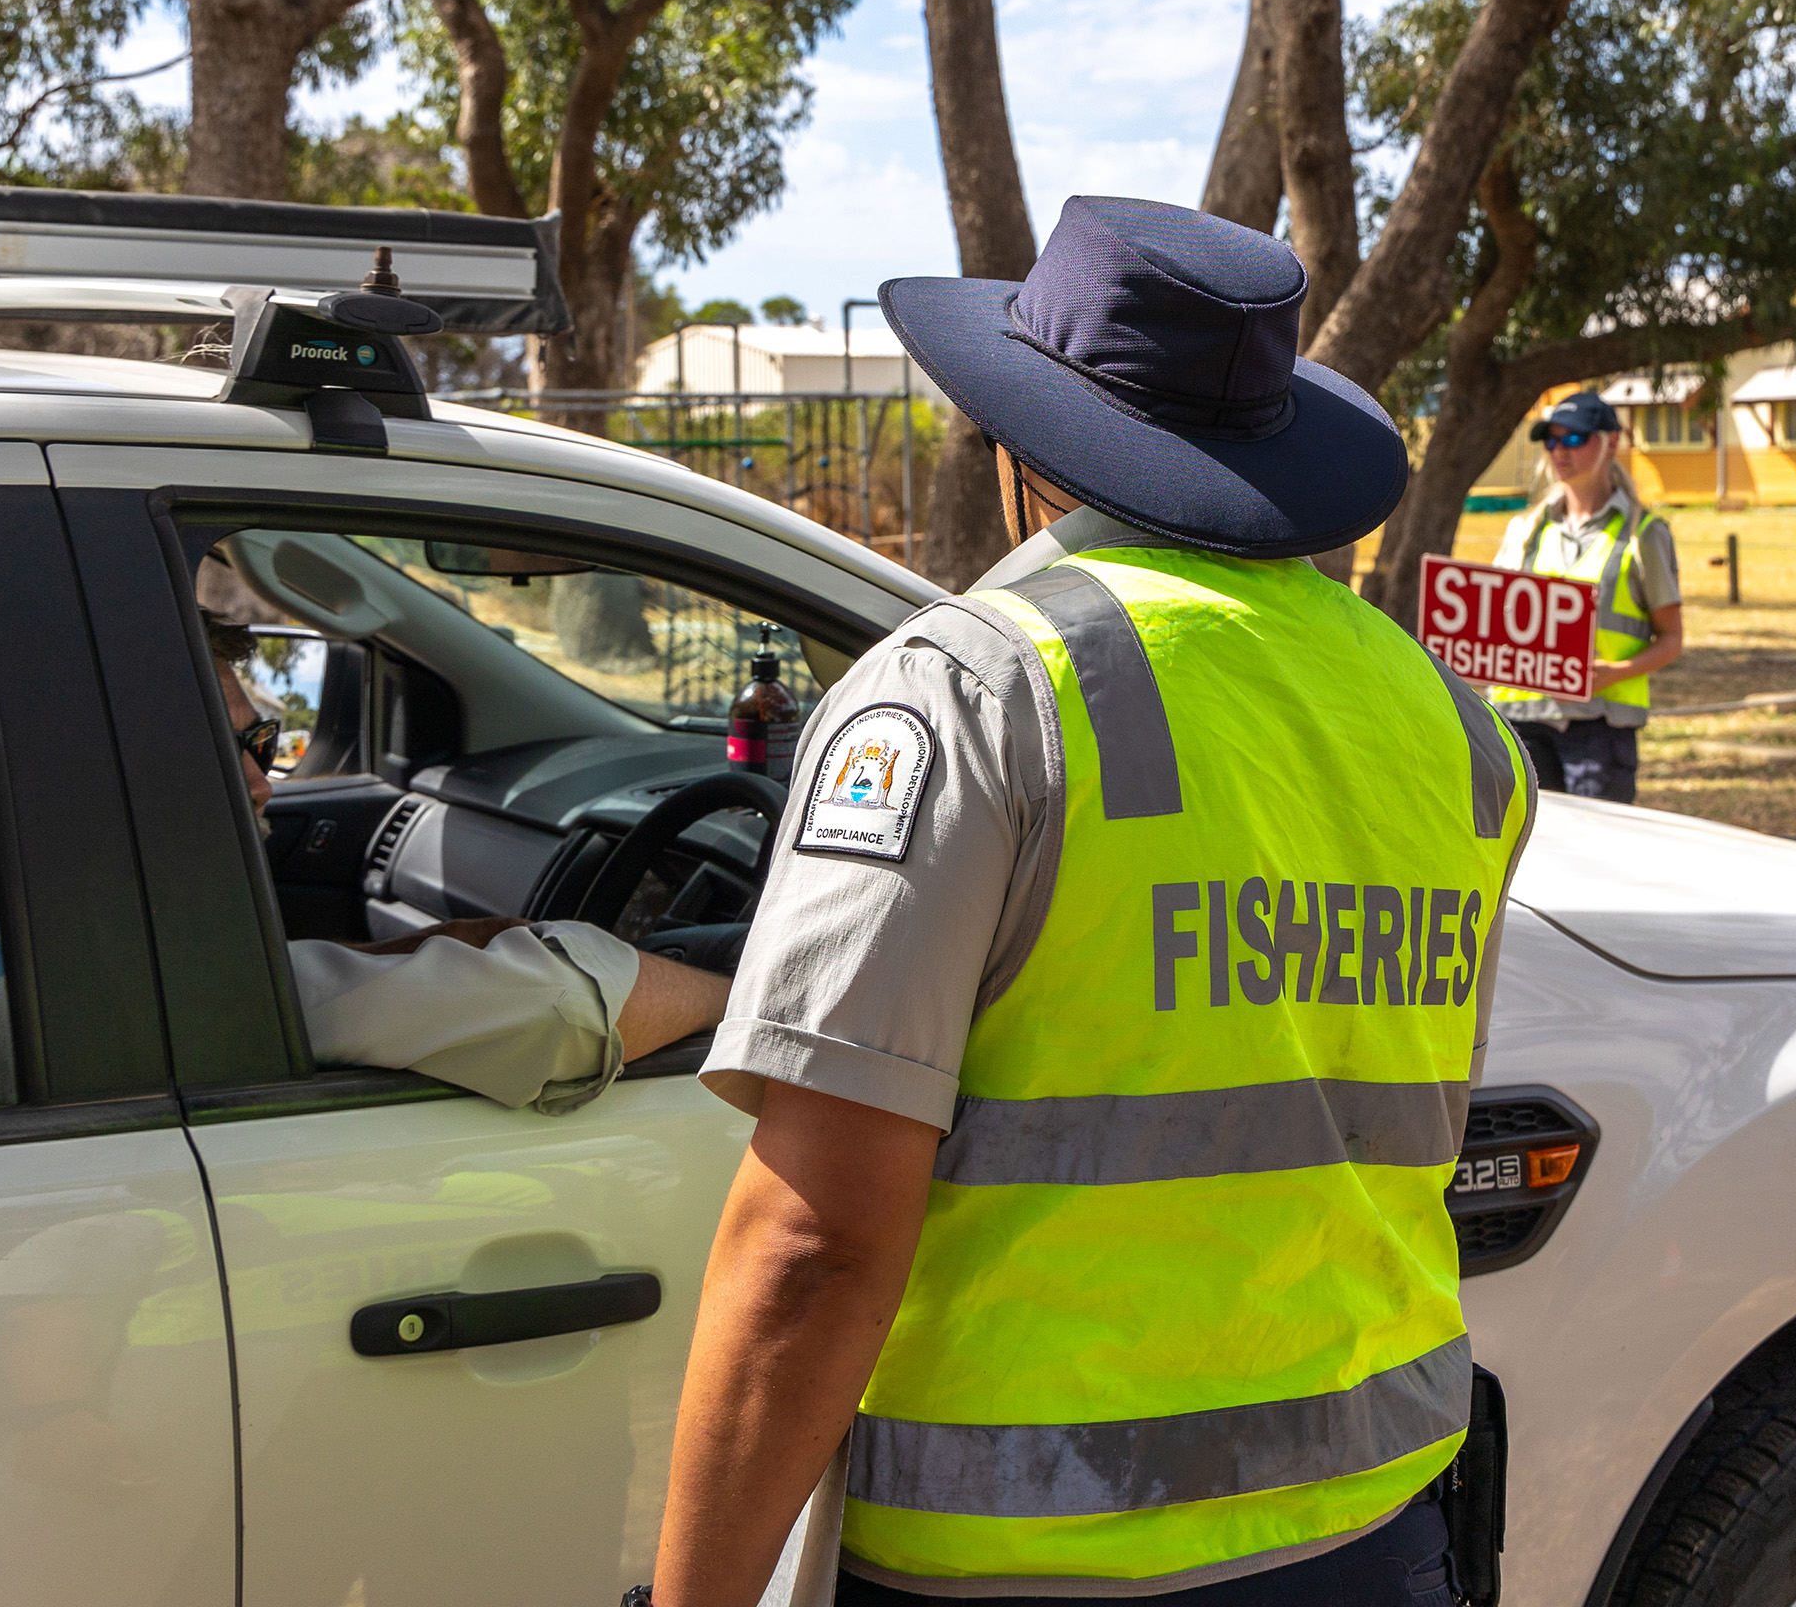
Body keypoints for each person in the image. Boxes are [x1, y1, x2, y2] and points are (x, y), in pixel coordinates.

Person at [648, 197, 1534, 1607]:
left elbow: (815, 1246)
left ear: (1021, 455)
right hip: (1376, 1535)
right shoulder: (1453, 724)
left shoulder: (972, 693)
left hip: (1033, 1561)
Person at [0, 621, 730, 1116]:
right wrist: (733, 990)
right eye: (217, 751)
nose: (264, 781)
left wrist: (442, 944)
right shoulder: (127, 970)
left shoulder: (23, 916)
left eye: (260, 744)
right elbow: (553, 1009)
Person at [1483, 390, 1685, 804]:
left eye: (1574, 439)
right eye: (1552, 441)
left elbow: (1672, 639)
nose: (1560, 451)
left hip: (1597, 732)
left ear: (1611, 442)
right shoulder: (1525, 531)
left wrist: (1615, 671)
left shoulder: (1644, 535)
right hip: (1520, 725)